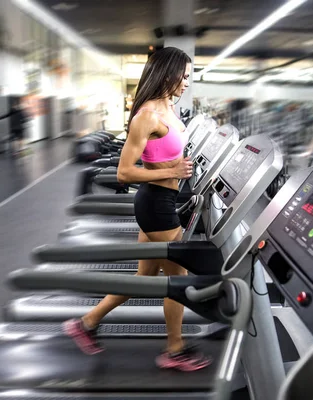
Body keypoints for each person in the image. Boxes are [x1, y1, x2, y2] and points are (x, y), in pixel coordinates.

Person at [62, 47, 212, 372]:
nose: (188, 82)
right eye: (184, 76)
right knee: (178, 280)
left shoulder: (170, 108)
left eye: (189, 76)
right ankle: (175, 350)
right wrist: (170, 172)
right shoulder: (147, 116)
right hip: (156, 205)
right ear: (168, 73)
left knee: (144, 278)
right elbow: (124, 172)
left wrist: (175, 166)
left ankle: (86, 323)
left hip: (163, 200)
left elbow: (163, 154)